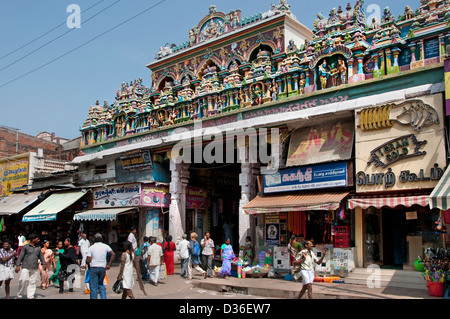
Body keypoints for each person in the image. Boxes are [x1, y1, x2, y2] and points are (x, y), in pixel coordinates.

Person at [15, 234, 47, 299]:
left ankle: (30, 296)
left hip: (34, 267)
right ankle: (19, 295)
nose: (38, 240)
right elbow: (21, 256)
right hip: (26, 266)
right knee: (23, 280)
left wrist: (44, 263)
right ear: (33, 240)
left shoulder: (38, 247)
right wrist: (18, 265)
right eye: (37, 239)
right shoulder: (25, 247)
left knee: (32, 282)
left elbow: (41, 256)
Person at [86, 233, 115, 299]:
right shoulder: (105, 246)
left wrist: (89, 264)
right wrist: (109, 265)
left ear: (94, 239)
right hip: (102, 268)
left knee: (93, 286)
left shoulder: (91, 247)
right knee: (101, 285)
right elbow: (113, 254)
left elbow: (87, 260)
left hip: (94, 267)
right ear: (102, 239)